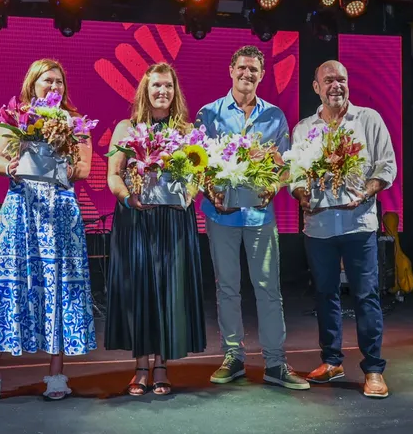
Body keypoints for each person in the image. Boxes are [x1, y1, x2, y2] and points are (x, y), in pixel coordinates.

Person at [0, 58, 97, 406]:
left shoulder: (76, 123)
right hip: (22, 207)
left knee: (59, 288)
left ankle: (55, 373)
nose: (54, 87)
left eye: (59, 82)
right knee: (9, 286)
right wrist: (12, 165)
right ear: (32, 85)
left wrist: (64, 156)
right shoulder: (15, 118)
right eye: (47, 81)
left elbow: (84, 168)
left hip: (60, 211)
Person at [196, 45, 309, 391]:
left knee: (268, 289)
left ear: (262, 75)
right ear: (231, 69)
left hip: (260, 215)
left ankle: (275, 362)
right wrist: (211, 192)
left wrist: (274, 188)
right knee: (227, 288)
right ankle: (234, 357)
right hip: (222, 214)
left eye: (254, 70)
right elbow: (196, 163)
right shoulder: (209, 114)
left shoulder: (274, 117)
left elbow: (287, 166)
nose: (247, 74)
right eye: (242, 68)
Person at [289, 60, 397, 398]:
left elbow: (387, 164)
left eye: (342, 80)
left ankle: (374, 369)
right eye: (329, 80)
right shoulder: (304, 128)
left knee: (366, 296)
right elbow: (294, 173)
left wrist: (366, 191)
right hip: (319, 226)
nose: (336, 85)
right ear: (316, 87)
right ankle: (332, 361)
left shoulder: (369, 120)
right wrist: (300, 192)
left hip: (358, 224)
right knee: (325, 295)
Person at [104, 62, 206, 396]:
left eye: (168, 86)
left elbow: (199, 176)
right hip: (137, 219)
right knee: (139, 292)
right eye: (156, 86)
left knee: (168, 292)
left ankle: (161, 365)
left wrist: (188, 197)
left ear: (175, 92)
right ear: (145, 92)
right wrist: (128, 199)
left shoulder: (187, 130)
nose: (162, 92)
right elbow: (113, 175)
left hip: (174, 221)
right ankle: (140, 367)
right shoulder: (126, 128)